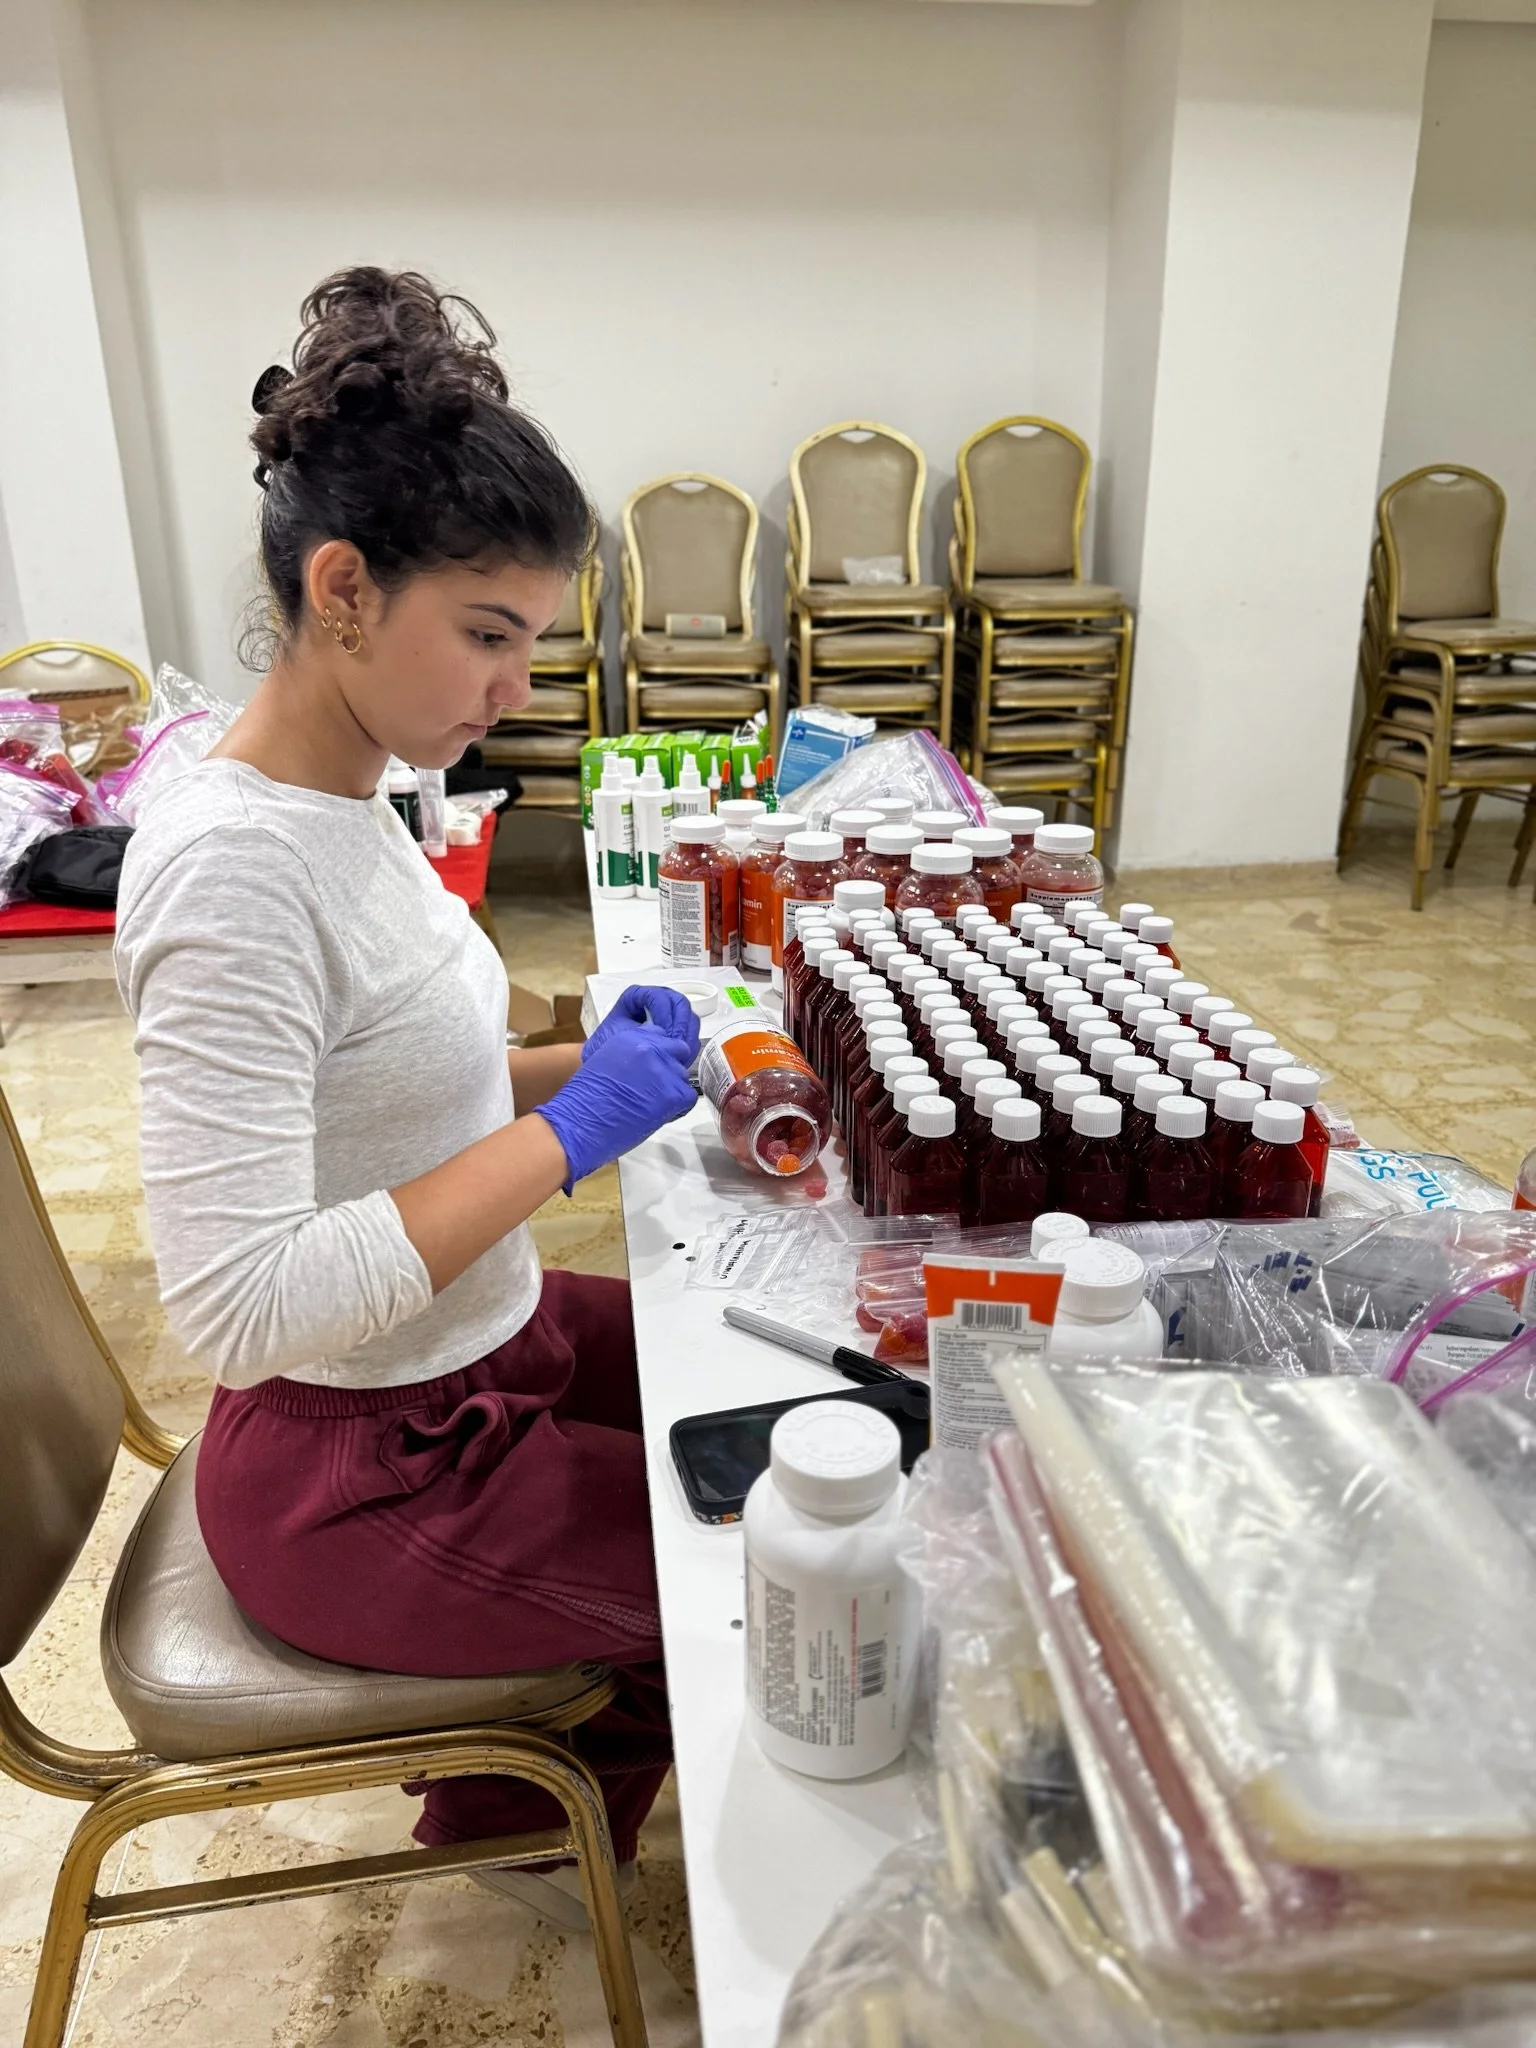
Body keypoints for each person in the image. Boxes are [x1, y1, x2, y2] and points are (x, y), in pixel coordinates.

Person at [114, 266, 701, 1928]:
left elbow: (388, 1082)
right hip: (358, 1466)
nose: (513, 688)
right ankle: (522, 1825)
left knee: (791, 1390)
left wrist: (578, 1070)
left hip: (474, 1349)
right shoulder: (228, 878)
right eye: (489, 636)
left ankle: (521, 1773)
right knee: (764, 1565)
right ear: (346, 590)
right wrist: (565, 1134)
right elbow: (237, 1309)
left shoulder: (356, 793)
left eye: (531, 641)